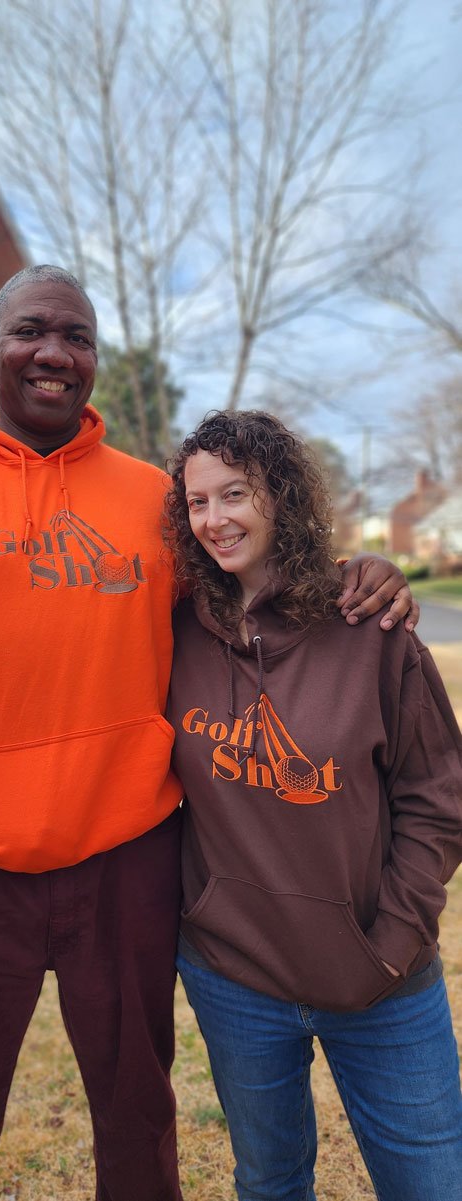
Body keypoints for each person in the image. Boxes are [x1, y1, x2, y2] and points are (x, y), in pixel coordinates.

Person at [0, 266, 418, 1201]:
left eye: (78, 337)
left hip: (129, 861)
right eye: (30, 331)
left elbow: (252, 587)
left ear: (93, 360)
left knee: (139, 1127)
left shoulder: (155, 500)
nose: (55, 352)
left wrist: (355, 576)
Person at [164, 410, 462, 1201]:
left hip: (380, 978)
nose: (216, 519)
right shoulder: (172, 631)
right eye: (197, 502)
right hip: (236, 976)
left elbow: (438, 797)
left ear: (282, 494)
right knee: (269, 1182)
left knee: (433, 1183)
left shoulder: (370, 627)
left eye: (236, 493)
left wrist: (394, 937)